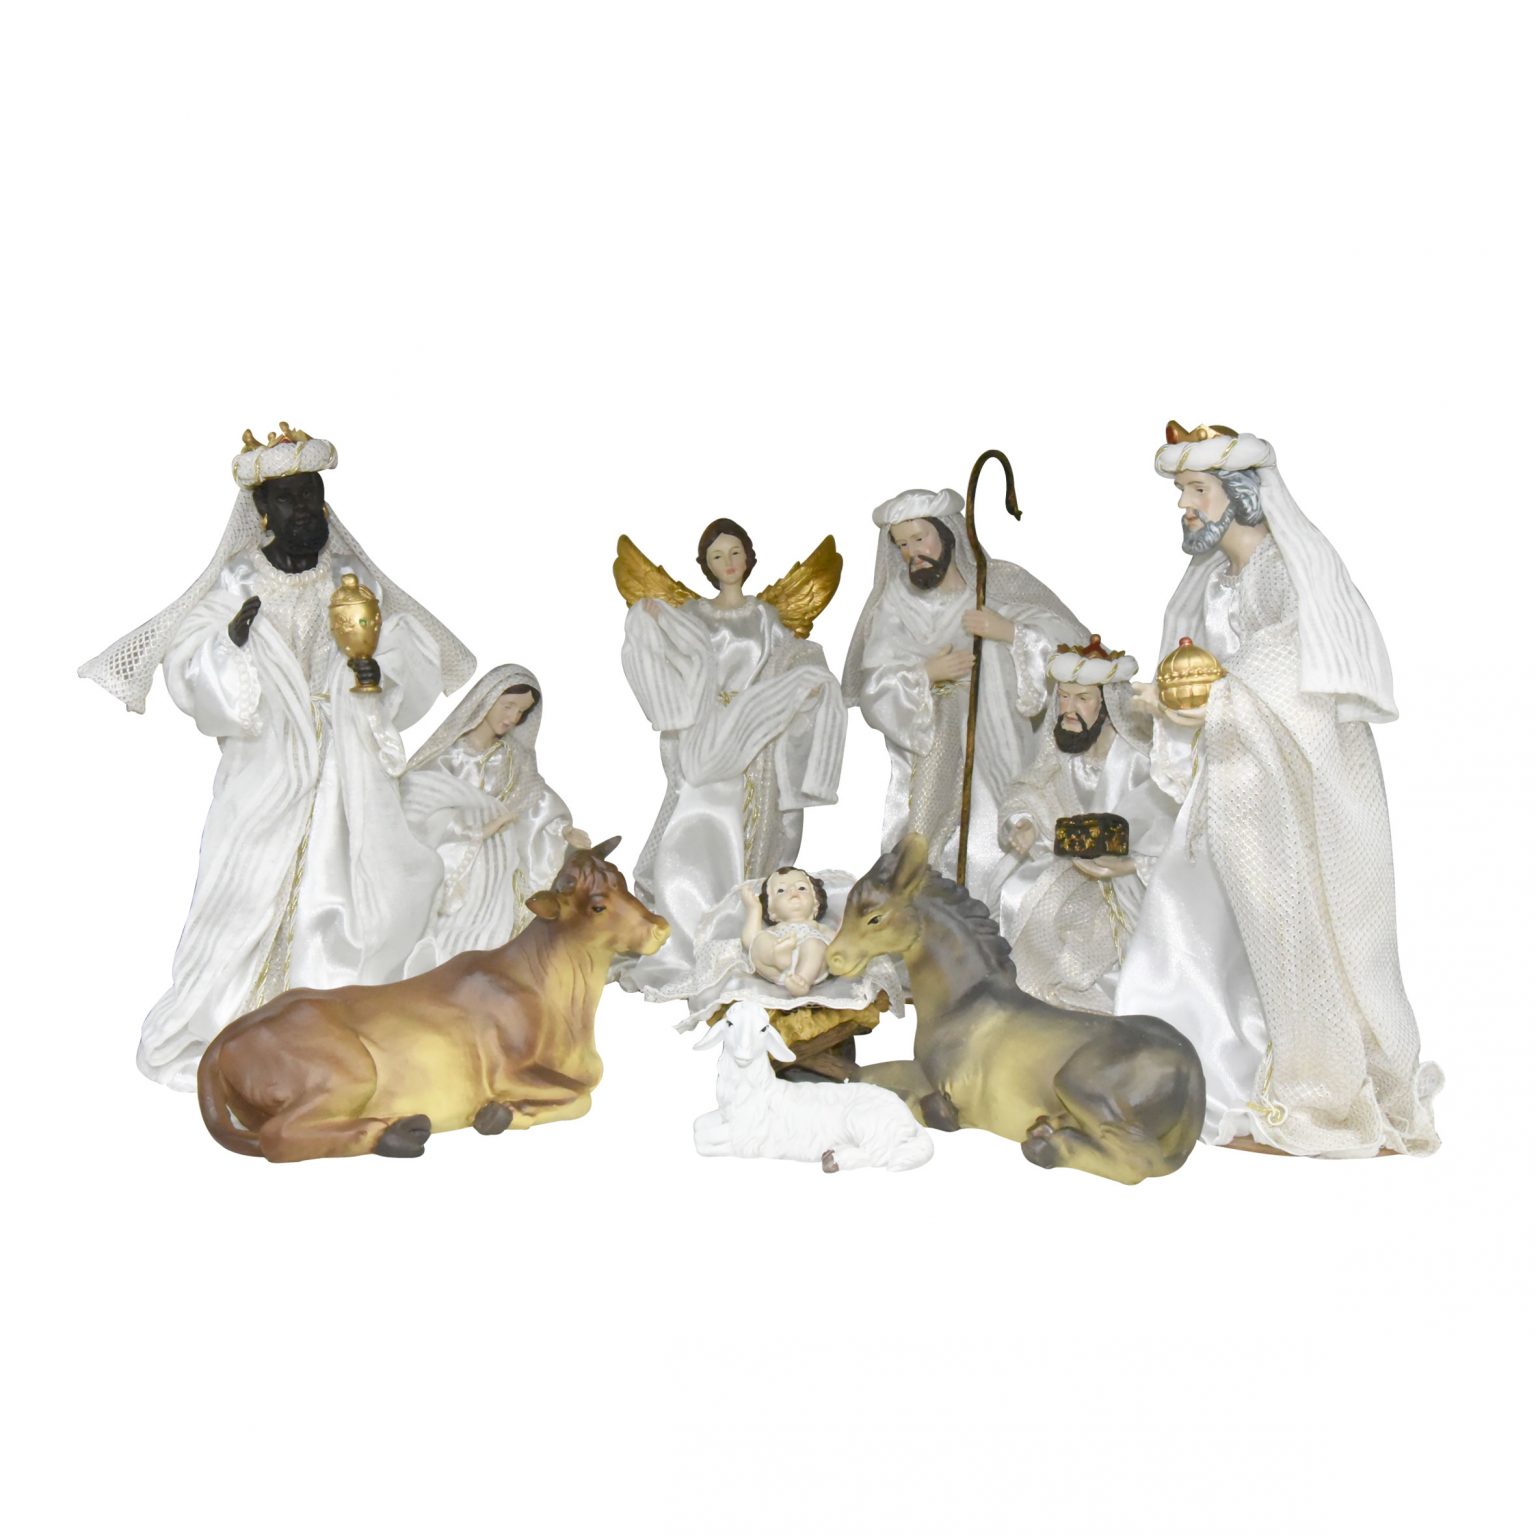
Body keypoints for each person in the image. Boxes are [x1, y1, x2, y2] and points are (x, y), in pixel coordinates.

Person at [78, 426, 475, 1090]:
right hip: (268, 763)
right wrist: (232, 645)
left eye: (312, 498)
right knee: (244, 883)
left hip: (345, 762)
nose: (304, 513)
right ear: (262, 511)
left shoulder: (349, 577)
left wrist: (373, 673)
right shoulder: (239, 579)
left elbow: (395, 647)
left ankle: (331, 1028)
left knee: (346, 883)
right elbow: (190, 660)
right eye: (289, 501)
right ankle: (230, 1019)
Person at [1115, 422, 1440, 1156]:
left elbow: (1296, 668)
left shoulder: (1288, 569)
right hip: (1232, 778)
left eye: (1196, 491)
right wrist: (1169, 702)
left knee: (1291, 924)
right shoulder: (1212, 580)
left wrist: (1206, 701)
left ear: (1241, 495)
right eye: (1182, 492)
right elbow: (1200, 670)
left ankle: (1315, 1088)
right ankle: (1211, 1077)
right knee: (1195, 922)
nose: (1185, 506)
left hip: (1288, 783)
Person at [618, 519, 845, 994]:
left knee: (757, 819)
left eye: (735, 552)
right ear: (705, 564)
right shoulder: (691, 614)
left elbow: (792, 656)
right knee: (701, 817)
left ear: (748, 556)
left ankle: (756, 921)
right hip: (708, 731)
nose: (728, 562)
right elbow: (674, 658)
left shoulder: (765, 616)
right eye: (717, 555)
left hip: (755, 729)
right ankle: (696, 920)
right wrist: (654, 618)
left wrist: (803, 683)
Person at [842, 487, 1085, 903]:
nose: (912, 553)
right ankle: (922, 897)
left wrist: (1008, 632)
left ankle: (1005, 903)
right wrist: (926, 674)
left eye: (920, 539)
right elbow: (875, 685)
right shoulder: (895, 604)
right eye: (902, 545)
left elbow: (1070, 645)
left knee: (999, 826)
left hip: (1002, 738)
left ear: (947, 533)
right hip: (935, 733)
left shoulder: (997, 583)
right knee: (930, 821)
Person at [990, 637, 1175, 1012]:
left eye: (1082, 698)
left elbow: (1168, 828)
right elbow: (1031, 787)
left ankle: (1074, 1001)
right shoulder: (1063, 751)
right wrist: (1025, 822)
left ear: (1107, 704)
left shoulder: (1138, 762)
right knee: (1014, 891)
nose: (1069, 709)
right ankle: (1018, 995)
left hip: (1122, 881)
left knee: (1082, 929)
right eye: (1063, 697)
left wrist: (1131, 865)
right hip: (1065, 866)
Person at [401, 663, 583, 976]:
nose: (512, 718)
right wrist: (474, 830)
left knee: (498, 921)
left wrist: (562, 831)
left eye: (521, 712)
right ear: (487, 698)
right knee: (446, 918)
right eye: (508, 706)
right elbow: (421, 804)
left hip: (500, 861)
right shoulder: (451, 756)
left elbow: (537, 801)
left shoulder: (514, 759)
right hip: (455, 856)